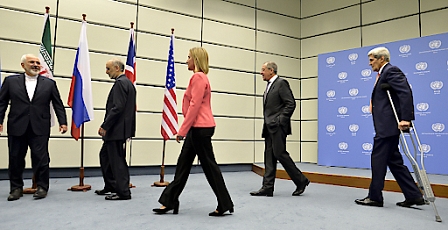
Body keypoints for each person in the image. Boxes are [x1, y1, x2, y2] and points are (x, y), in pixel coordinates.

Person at [153, 47, 234, 216]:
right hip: (197, 128)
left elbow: (194, 105)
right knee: (182, 166)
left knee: (210, 168)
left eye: (189, 57)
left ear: (196, 59)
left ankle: (225, 203)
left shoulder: (198, 77)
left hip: (200, 129)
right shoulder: (200, 77)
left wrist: (182, 130)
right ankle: (170, 201)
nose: (186, 60)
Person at [355, 47, 424, 207]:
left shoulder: (391, 71)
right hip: (386, 125)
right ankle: (413, 195)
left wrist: (406, 118)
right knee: (394, 161)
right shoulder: (383, 74)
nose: (369, 63)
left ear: (382, 59)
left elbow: (405, 92)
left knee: (377, 159)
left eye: (372, 60)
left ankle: (375, 197)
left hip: (388, 126)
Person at [0, 54, 68, 201]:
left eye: (38, 62)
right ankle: (16, 188)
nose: (36, 64)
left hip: (40, 126)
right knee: (15, 158)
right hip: (17, 126)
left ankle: (42, 187)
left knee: (41, 158)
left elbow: (57, 104)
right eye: (32, 62)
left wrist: (63, 122)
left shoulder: (49, 83)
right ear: (23, 65)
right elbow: (2, 103)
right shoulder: (10, 82)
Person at [250, 61, 310, 197]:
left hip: (277, 127)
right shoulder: (269, 86)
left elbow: (291, 103)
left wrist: (280, 120)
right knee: (269, 156)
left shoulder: (281, 83)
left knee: (280, 154)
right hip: (269, 127)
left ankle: (301, 180)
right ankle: (267, 187)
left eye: (263, 69)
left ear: (271, 71)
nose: (261, 72)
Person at [95, 59, 136, 200]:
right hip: (120, 129)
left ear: (117, 68)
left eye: (108, 69)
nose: (106, 72)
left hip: (116, 130)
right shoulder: (128, 83)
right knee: (105, 156)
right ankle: (111, 185)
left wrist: (105, 125)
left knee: (117, 160)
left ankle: (123, 191)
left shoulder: (120, 84)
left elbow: (117, 108)